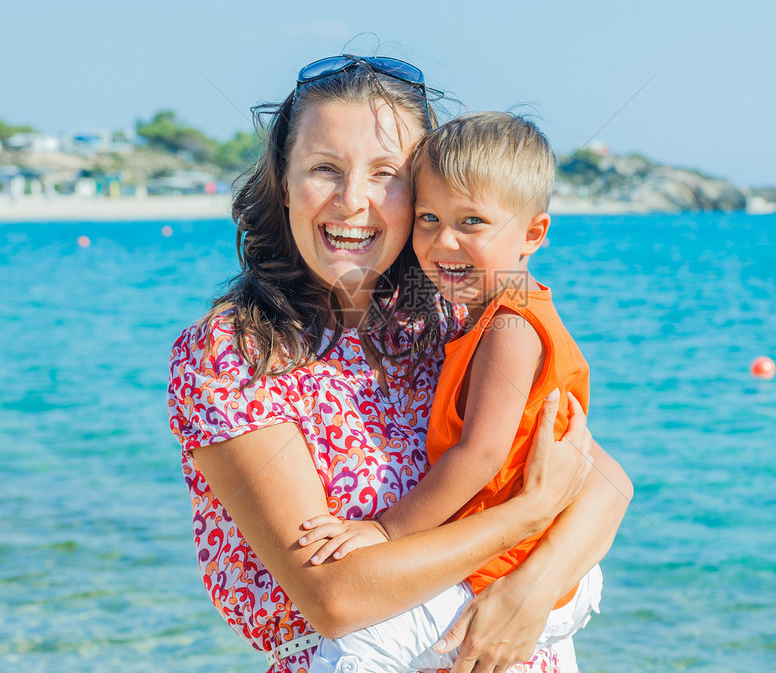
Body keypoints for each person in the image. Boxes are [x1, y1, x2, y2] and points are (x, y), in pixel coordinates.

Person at [167, 55, 632, 673]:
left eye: (386, 174)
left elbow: (603, 483)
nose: (353, 202)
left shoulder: (450, 319)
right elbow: (335, 595)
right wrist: (528, 514)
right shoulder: (236, 352)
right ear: (283, 183)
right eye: (324, 169)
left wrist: (532, 588)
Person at [302, 113, 603, 673]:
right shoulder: (486, 314)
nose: (443, 241)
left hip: (508, 569)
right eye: (428, 218)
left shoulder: (511, 329)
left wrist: (385, 530)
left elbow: (481, 453)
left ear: (533, 234)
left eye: (472, 222)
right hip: (519, 562)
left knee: (359, 651)